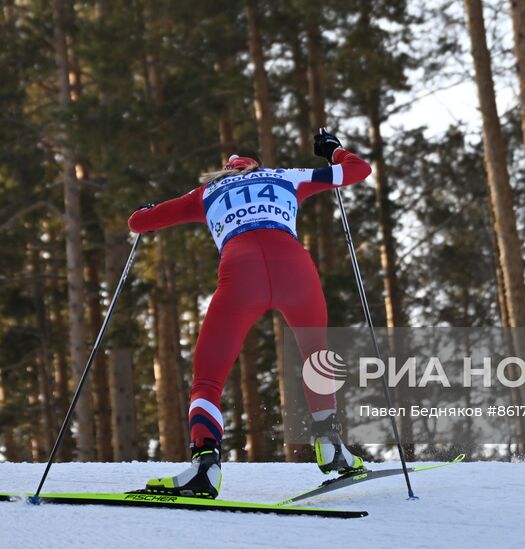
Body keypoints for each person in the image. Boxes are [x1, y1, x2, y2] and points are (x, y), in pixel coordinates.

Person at [126, 129, 371, 499]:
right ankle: (331, 444)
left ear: (223, 172)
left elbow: (137, 224)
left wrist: (146, 210)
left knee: (208, 376)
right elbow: (358, 171)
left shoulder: (206, 193)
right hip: (295, 270)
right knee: (315, 354)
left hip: (242, 273)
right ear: (257, 167)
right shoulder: (285, 177)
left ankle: (205, 467)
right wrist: (333, 150)